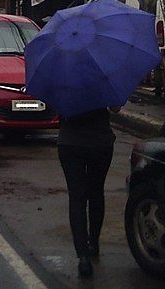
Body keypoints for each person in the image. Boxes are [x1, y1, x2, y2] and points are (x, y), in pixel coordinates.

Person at [58, 107, 118, 278]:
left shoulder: (64, 80)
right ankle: (94, 242)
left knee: (76, 197)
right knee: (97, 192)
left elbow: (57, 107)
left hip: (70, 142)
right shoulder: (104, 79)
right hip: (100, 142)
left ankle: (83, 256)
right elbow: (117, 108)